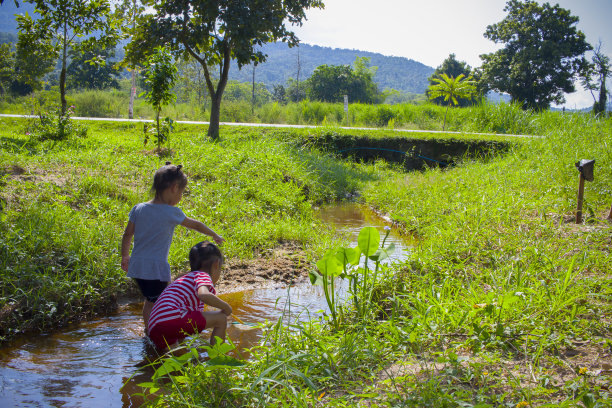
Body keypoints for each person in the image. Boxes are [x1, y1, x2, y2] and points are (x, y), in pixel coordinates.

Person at [121, 162, 224, 332]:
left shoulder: (138, 208)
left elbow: (127, 235)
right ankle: (160, 331)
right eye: (182, 192)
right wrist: (214, 235)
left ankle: (149, 329)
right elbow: (196, 225)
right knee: (163, 300)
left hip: (137, 266)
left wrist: (125, 256)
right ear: (174, 188)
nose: (181, 197)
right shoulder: (171, 212)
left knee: (151, 298)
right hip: (155, 268)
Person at [147, 241, 232, 350]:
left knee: (179, 359)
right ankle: (219, 357)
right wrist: (226, 307)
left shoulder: (184, 279)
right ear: (216, 264)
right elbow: (204, 295)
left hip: (154, 326)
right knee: (220, 318)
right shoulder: (202, 275)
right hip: (172, 318)